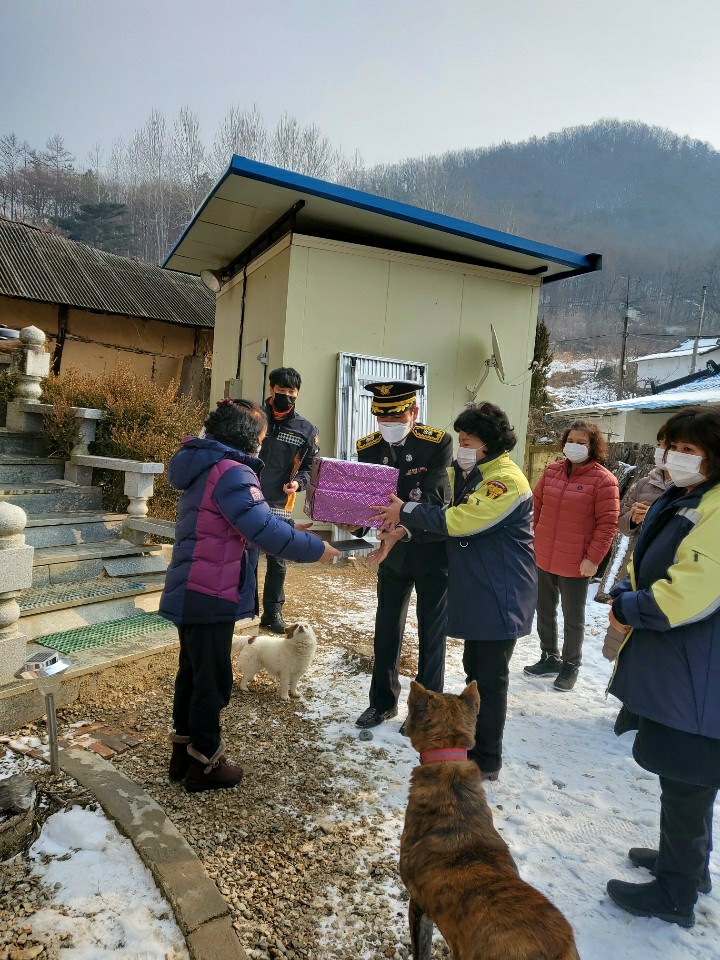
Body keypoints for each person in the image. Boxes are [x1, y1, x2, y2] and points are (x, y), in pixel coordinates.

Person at [159, 398, 339, 792]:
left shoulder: (207, 463)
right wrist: (317, 549)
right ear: (249, 438)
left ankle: (183, 756)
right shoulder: (233, 471)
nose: (262, 443)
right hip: (211, 589)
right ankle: (205, 764)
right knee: (212, 681)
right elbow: (262, 531)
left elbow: (242, 521)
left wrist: (290, 527)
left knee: (192, 674)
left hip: (194, 585)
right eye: (262, 436)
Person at [371, 402, 537, 780]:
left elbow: (460, 521)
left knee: (490, 680)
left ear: (490, 443)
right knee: (475, 672)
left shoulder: (504, 481)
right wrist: (401, 529)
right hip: (484, 591)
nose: (462, 446)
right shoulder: (474, 475)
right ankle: (475, 750)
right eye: (460, 438)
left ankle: (487, 760)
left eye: (469, 440)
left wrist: (406, 511)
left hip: (502, 594)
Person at [605, 406, 720, 928]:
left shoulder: (715, 508)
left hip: (699, 669)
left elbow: (689, 594)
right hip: (681, 664)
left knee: (688, 779)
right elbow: (643, 560)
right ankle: (687, 866)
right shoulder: (685, 495)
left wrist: (631, 607)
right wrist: (625, 588)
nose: (673, 456)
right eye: (670, 445)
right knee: (686, 778)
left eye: (688, 449)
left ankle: (676, 893)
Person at [352, 380, 453, 731]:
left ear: (414, 413)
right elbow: (367, 501)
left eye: (396, 417)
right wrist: (353, 522)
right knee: (386, 629)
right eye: (382, 418)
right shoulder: (368, 448)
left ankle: (426, 709)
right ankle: (382, 703)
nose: (388, 424)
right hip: (391, 555)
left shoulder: (436, 443)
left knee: (431, 631)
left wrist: (400, 530)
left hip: (429, 549)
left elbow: (435, 501)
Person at [524, 419, 619, 691]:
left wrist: (594, 558)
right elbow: (537, 506)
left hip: (577, 562)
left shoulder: (604, 480)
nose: (574, 446)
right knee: (544, 610)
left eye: (581, 442)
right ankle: (549, 656)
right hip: (544, 555)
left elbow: (607, 524)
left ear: (593, 446)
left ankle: (570, 664)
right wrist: (534, 538)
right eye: (571, 441)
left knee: (572, 617)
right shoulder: (552, 471)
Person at [258, 367, 320, 633]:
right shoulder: (254, 418)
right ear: (271, 389)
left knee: (277, 559)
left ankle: (272, 613)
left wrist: (298, 483)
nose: (286, 395)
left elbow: (309, 466)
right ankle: (243, 608)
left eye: (291, 391)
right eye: (281, 390)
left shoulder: (306, 429)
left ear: (298, 394)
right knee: (244, 555)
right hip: (248, 497)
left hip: (280, 503)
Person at [612, 426, 672, 587]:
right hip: (634, 564)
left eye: (668, 446)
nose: (661, 450)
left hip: (666, 572)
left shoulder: (690, 489)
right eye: (659, 445)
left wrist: (653, 516)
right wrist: (633, 519)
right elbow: (621, 524)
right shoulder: (644, 483)